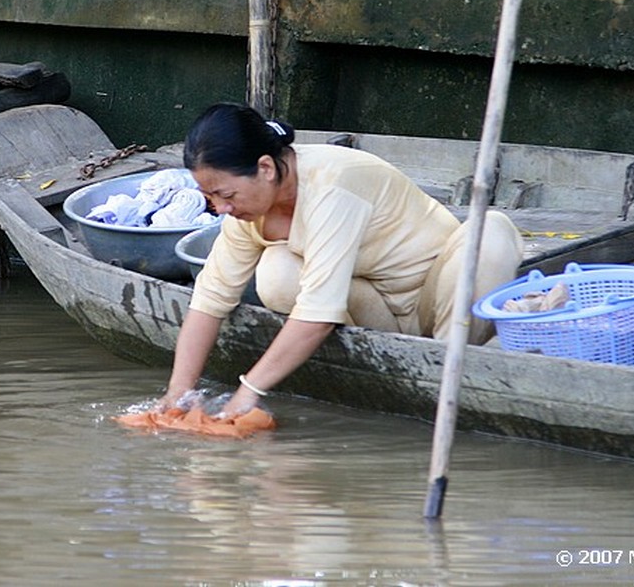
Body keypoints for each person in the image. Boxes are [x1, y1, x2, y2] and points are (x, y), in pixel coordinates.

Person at [161, 103, 523, 417]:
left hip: (441, 298)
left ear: (266, 168)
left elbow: (318, 314)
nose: (221, 208)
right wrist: (179, 394)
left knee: (491, 230)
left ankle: (446, 374)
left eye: (225, 194)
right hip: (382, 316)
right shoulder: (247, 212)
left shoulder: (331, 186)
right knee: (277, 273)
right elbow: (209, 300)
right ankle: (386, 372)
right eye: (210, 198)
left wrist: (247, 392)